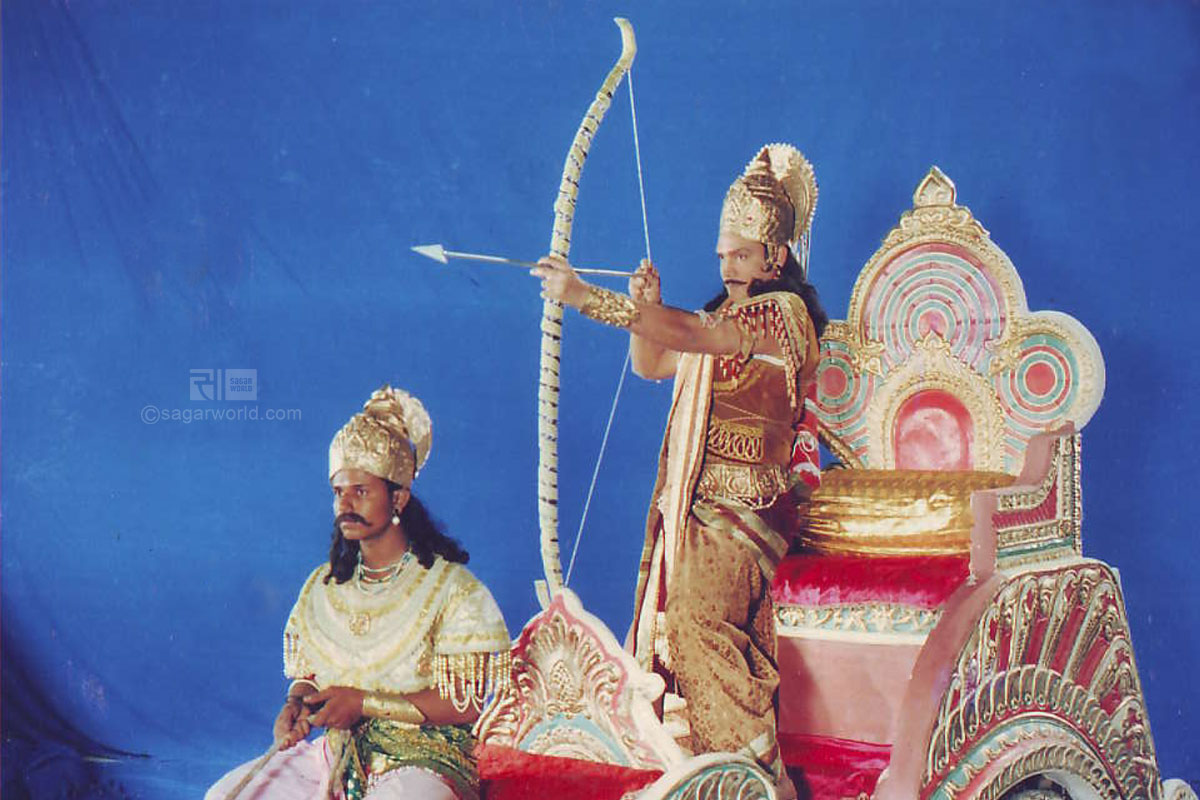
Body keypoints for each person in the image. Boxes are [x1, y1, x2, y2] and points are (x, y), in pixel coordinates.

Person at [533, 143, 827, 792]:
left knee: (696, 630)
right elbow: (654, 364)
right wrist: (647, 310)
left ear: (776, 257)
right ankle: (726, 779)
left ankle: (757, 784)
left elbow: (692, 336)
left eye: (742, 256)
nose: (728, 269)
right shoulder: (727, 319)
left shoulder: (781, 317)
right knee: (684, 638)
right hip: (699, 512)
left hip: (744, 515)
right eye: (723, 257)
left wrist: (582, 296)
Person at [206, 386, 510, 800]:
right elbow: (309, 677)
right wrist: (297, 704)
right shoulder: (324, 585)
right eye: (338, 492)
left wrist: (364, 704)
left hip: (423, 759)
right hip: (336, 755)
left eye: (361, 491)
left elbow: (467, 704)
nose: (345, 503)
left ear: (398, 497)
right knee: (228, 795)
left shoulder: (452, 588)